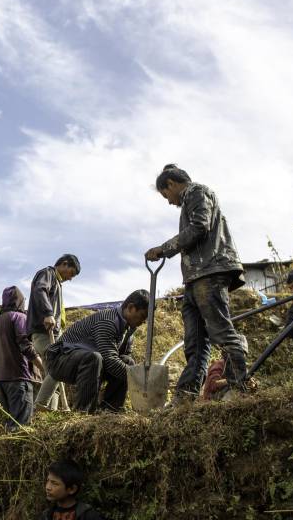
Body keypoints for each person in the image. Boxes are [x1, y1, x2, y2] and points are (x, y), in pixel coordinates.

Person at [145, 164, 249, 403]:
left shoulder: (196, 192)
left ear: (171, 184)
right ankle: (186, 395)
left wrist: (165, 248)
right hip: (195, 277)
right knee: (195, 341)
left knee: (221, 332)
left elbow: (200, 226)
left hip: (210, 272)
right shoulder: (191, 198)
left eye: (165, 195)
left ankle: (238, 387)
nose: (169, 202)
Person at [43, 290, 148, 413]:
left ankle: (110, 411)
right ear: (131, 308)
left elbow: (122, 361)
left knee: (128, 362)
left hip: (88, 360)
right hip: (60, 358)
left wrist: (135, 372)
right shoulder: (109, 321)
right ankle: (84, 413)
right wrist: (140, 378)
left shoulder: (129, 330)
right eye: (142, 316)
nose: (143, 321)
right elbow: (110, 360)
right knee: (94, 358)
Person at [0, 286, 46, 429]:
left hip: (0, 382)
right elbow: (26, 346)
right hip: (19, 378)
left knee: (12, 422)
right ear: (21, 302)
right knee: (21, 426)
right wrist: (45, 369)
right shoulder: (20, 318)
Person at [27, 255, 80, 412]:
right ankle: (41, 405)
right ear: (64, 264)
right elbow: (40, 290)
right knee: (60, 366)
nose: (70, 278)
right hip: (44, 332)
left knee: (52, 373)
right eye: (72, 273)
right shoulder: (48, 273)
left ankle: (50, 413)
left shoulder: (57, 281)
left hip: (53, 332)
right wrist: (48, 313)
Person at [32, 459, 106, 520]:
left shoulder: (88, 516)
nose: (48, 487)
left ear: (72, 489)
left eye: (54, 483)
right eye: (48, 481)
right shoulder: (46, 516)